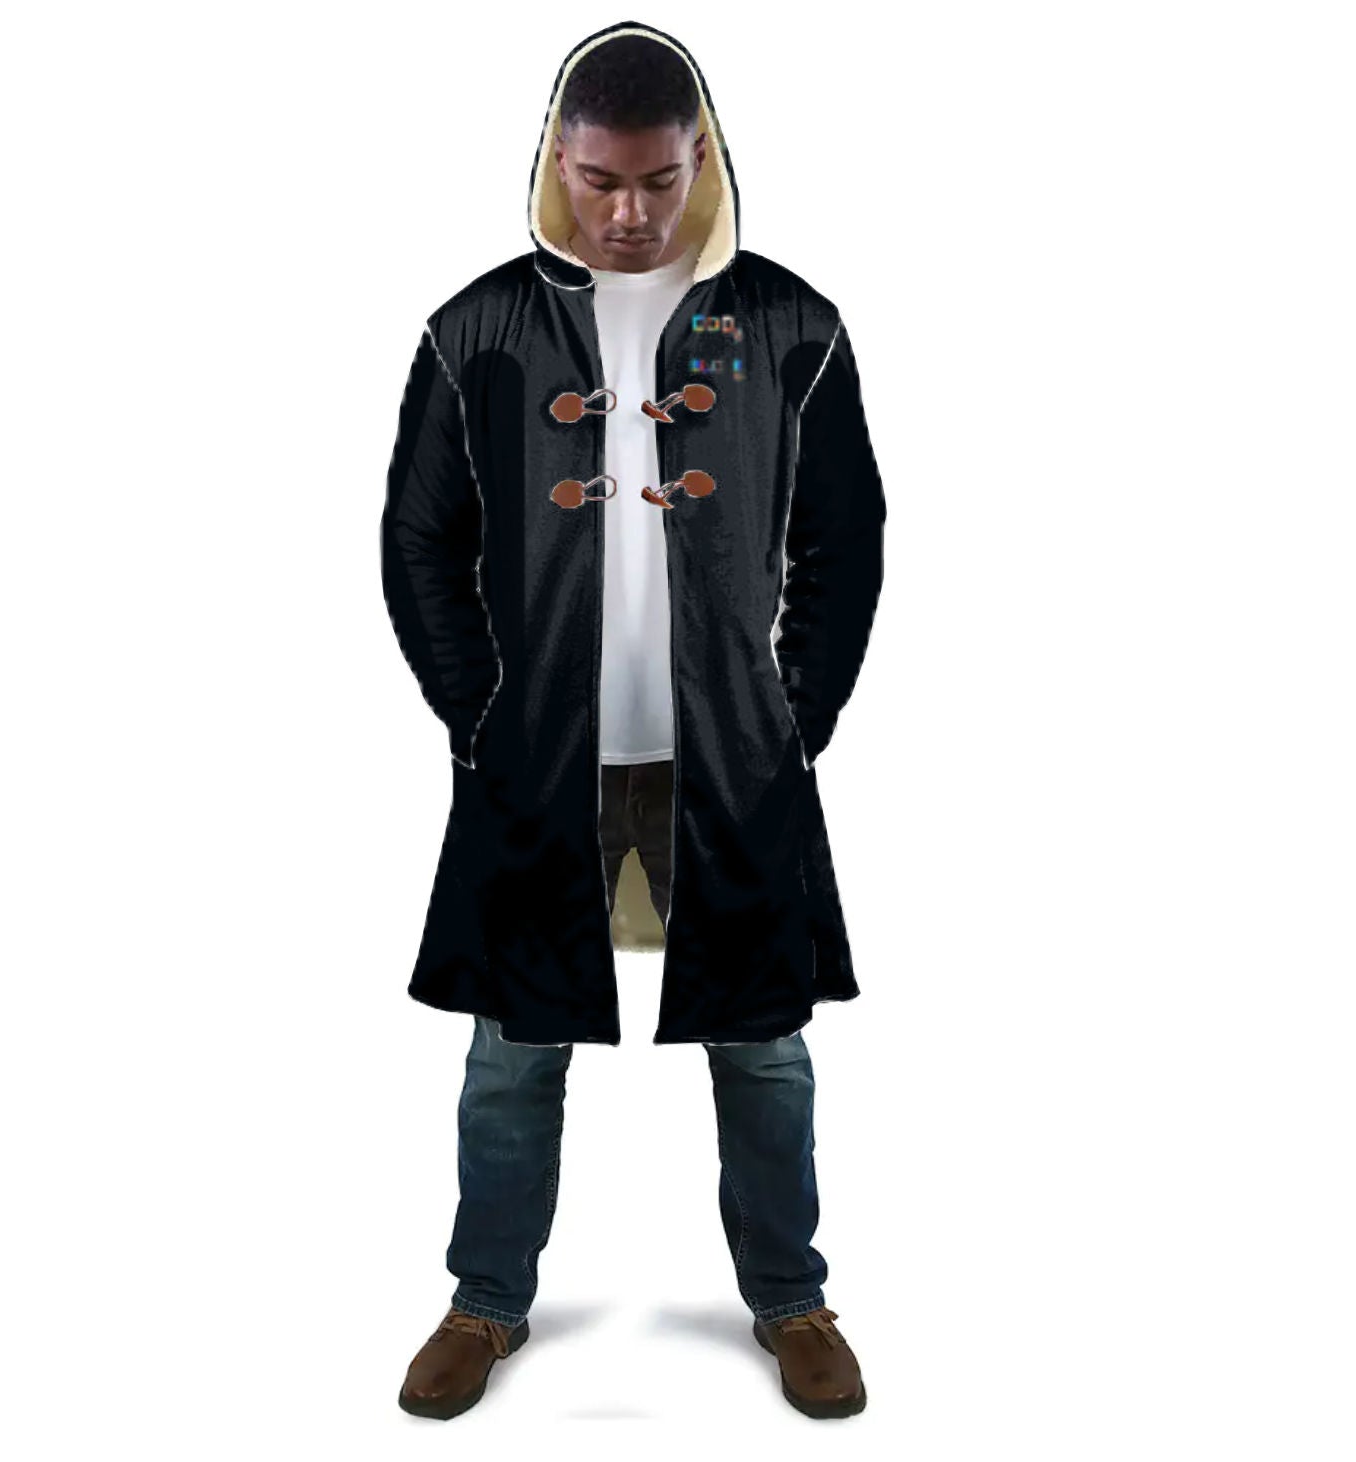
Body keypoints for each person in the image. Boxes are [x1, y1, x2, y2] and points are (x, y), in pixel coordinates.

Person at [383, 22, 885, 1421]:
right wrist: (477, 715)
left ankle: (791, 1297)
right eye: (601, 179)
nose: (627, 212)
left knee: (764, 1042)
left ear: (698, 157)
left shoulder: (790, 325)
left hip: (728, 761)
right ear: (560, 156)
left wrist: (794, 718)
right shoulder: (478, 327)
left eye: (658, 181)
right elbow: (417, 540)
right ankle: (486, 1301)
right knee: (511, 1048)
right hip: (540, 759)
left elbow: (846, 539)